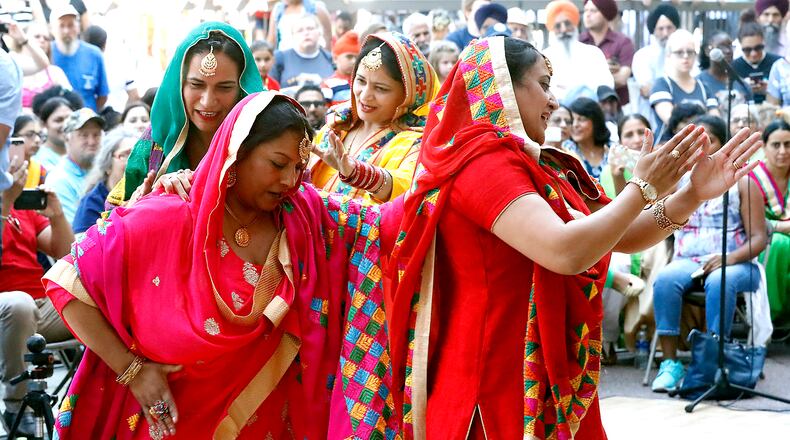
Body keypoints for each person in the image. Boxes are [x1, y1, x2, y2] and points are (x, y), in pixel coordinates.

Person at [383, 36, 763, 438]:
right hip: (495, 378)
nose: (553, 101)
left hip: (533, 367)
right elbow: (564, 252)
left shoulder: (535, 164)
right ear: (502, 87)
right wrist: (642, 188)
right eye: (543, 84)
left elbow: (619, 235)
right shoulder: (482, 166)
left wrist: (691, 194)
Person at [42, 91, 398, 439]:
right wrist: (132, 371)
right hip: (174, 421)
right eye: (277, 164)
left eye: (298, 167)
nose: (290, 180)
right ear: (237, 152)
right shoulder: (168, 215)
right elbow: (65, 280)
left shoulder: (304, 215)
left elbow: (390, 225)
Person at [651, 115, 767, 393]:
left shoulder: (743, 183)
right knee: (665, 280)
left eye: (710, 141)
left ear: (724, 144)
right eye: (696, 143)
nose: (702, 150)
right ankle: (670, 364)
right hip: (689, 262)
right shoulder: (679, 182)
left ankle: (714, 361)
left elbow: (759, 238)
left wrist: (729, 259)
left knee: (720, 280)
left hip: (738, 262)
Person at [111, 22, 264, 206]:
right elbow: (108, 221)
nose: (207, 101)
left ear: (242, 89)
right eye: (196, 85)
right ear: (179, 85)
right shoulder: (156, 142)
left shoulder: (263, 139)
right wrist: (144, 202)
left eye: (224, 88)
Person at [310, 32, 439, 203]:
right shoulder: (337, 123)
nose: (365, 96)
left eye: (380, 88)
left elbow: (407, 188)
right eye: (361, 81)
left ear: (408, 95)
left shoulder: (417, 142)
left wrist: (356, 173)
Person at [0, 163, 73, 436]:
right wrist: (4, 206)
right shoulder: (10, 200)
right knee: (19, 304)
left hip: (40, 305)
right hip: (9, 308)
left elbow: (65, 253)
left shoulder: (21, 200)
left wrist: (57, 215)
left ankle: (104, 402)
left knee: (99, 297)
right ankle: (16, 404)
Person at [749, 120, 790, 326]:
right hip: (759, 242)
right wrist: (779, 228)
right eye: (776, 145)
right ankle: (772, 319)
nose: (783, 151)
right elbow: (746, 218)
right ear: (764, 147)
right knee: (780, 244)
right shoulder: (753, 177)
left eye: (788, 144)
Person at [650, 30, 718, 139]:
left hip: (700, 145)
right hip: (669, 148)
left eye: (690, 52)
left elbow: (715, 122)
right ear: (668, 55)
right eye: (679, 52)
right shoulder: (662, 84)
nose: (685, 56)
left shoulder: (704, 87)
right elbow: (672, 120)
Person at [542, 0, 614, 104]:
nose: (564, 30)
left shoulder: (593, 53)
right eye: (558, 26)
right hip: (557, 112)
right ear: (552, 29)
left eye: (567, 23)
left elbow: (606, 85)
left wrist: (579, 91)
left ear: (575, 25)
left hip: (588, 108)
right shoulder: (544, 57)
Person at [72, 127, 136, 234]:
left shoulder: (148, 195)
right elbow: (82, 246)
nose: (134, 163)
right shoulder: (92, 204)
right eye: (125, 155)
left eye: (138, 155)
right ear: (107, 165)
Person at [46, 107, 105, 224]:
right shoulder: (60, 180)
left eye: (96, 135)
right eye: (84, 135)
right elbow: (71, 233)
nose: (91, 142)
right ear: (67, 138)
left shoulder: (105, 171)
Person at [49, 5, 110, 111]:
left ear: (78, 26)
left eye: (71, 25)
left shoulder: (94, 54)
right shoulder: (46, 53)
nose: (66, 31)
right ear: (52, 29)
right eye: (61, 26)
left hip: (87, 118)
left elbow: (103, 94)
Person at [579, 0, 635, 105]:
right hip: (584, 107)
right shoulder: (579, 41)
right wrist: (604, 71)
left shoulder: (623, 42)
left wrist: (587, 77)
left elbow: (622, 78)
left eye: (593, 11)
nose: (587, 14)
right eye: (586, 10)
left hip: (614, 106)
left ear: (605, 13)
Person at [632, 4, 680, 119]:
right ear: (653, 30)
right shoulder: (642, 56)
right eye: (661, 29)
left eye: (669, 28)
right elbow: (647, 90)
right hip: (650, 115)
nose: (665, 33)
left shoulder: (683, 53)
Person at [270, 14, 335, 90]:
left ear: (320, 32)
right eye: (300, 30)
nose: (306, 33)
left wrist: (321, 81)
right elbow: (271, 89)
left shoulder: (330, 59)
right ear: (293, 35)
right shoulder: (280, 58)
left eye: (310, 28)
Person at [20, 22, 72, 110]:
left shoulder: (55, 72)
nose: (42, 40)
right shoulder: (13, 68)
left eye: (46, 38)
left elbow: (71, 101)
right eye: (37, 36)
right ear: (22, 40)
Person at [697, 31, 751, 108]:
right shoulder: (698, 82)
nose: (728, 51)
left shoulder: (742, 84)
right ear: (707, 51)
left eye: (730, 46)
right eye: (721, 47)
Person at [563, 96, 612, 180]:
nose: (575, 125)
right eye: (571, 121)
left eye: (581, 119)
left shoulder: (612, 149)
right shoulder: (565, 150)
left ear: (596, 121)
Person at [733, 21, 782, 105]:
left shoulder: (778, 63)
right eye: (747, 50)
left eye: (758, 48)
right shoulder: (733, 66)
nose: (753, 54)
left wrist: (771, 89)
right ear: (740, 45)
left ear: (764, 42)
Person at [31, 96, 77, 171]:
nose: (65, 124)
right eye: (58, 120)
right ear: (43, 124)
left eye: (70, 119)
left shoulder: (80, 154)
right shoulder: (39, 161)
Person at [267, 0, 333, 51]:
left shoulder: (316, 9)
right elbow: (271, 40)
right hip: (285, 61)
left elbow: (327, 38)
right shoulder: (278, 11)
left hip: (311, 60)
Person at [322, 31, 360, 106]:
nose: (354, 61)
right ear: (335, 58)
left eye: (357, 57)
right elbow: (324, 111)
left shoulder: (363, 82)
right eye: (349, 57)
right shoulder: (328, 84)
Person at [12, 115, 47, 188]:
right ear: (13, 136)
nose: (37, 140)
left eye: (40, 135)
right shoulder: (3, 167)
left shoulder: (40, 170)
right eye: (30, 135)